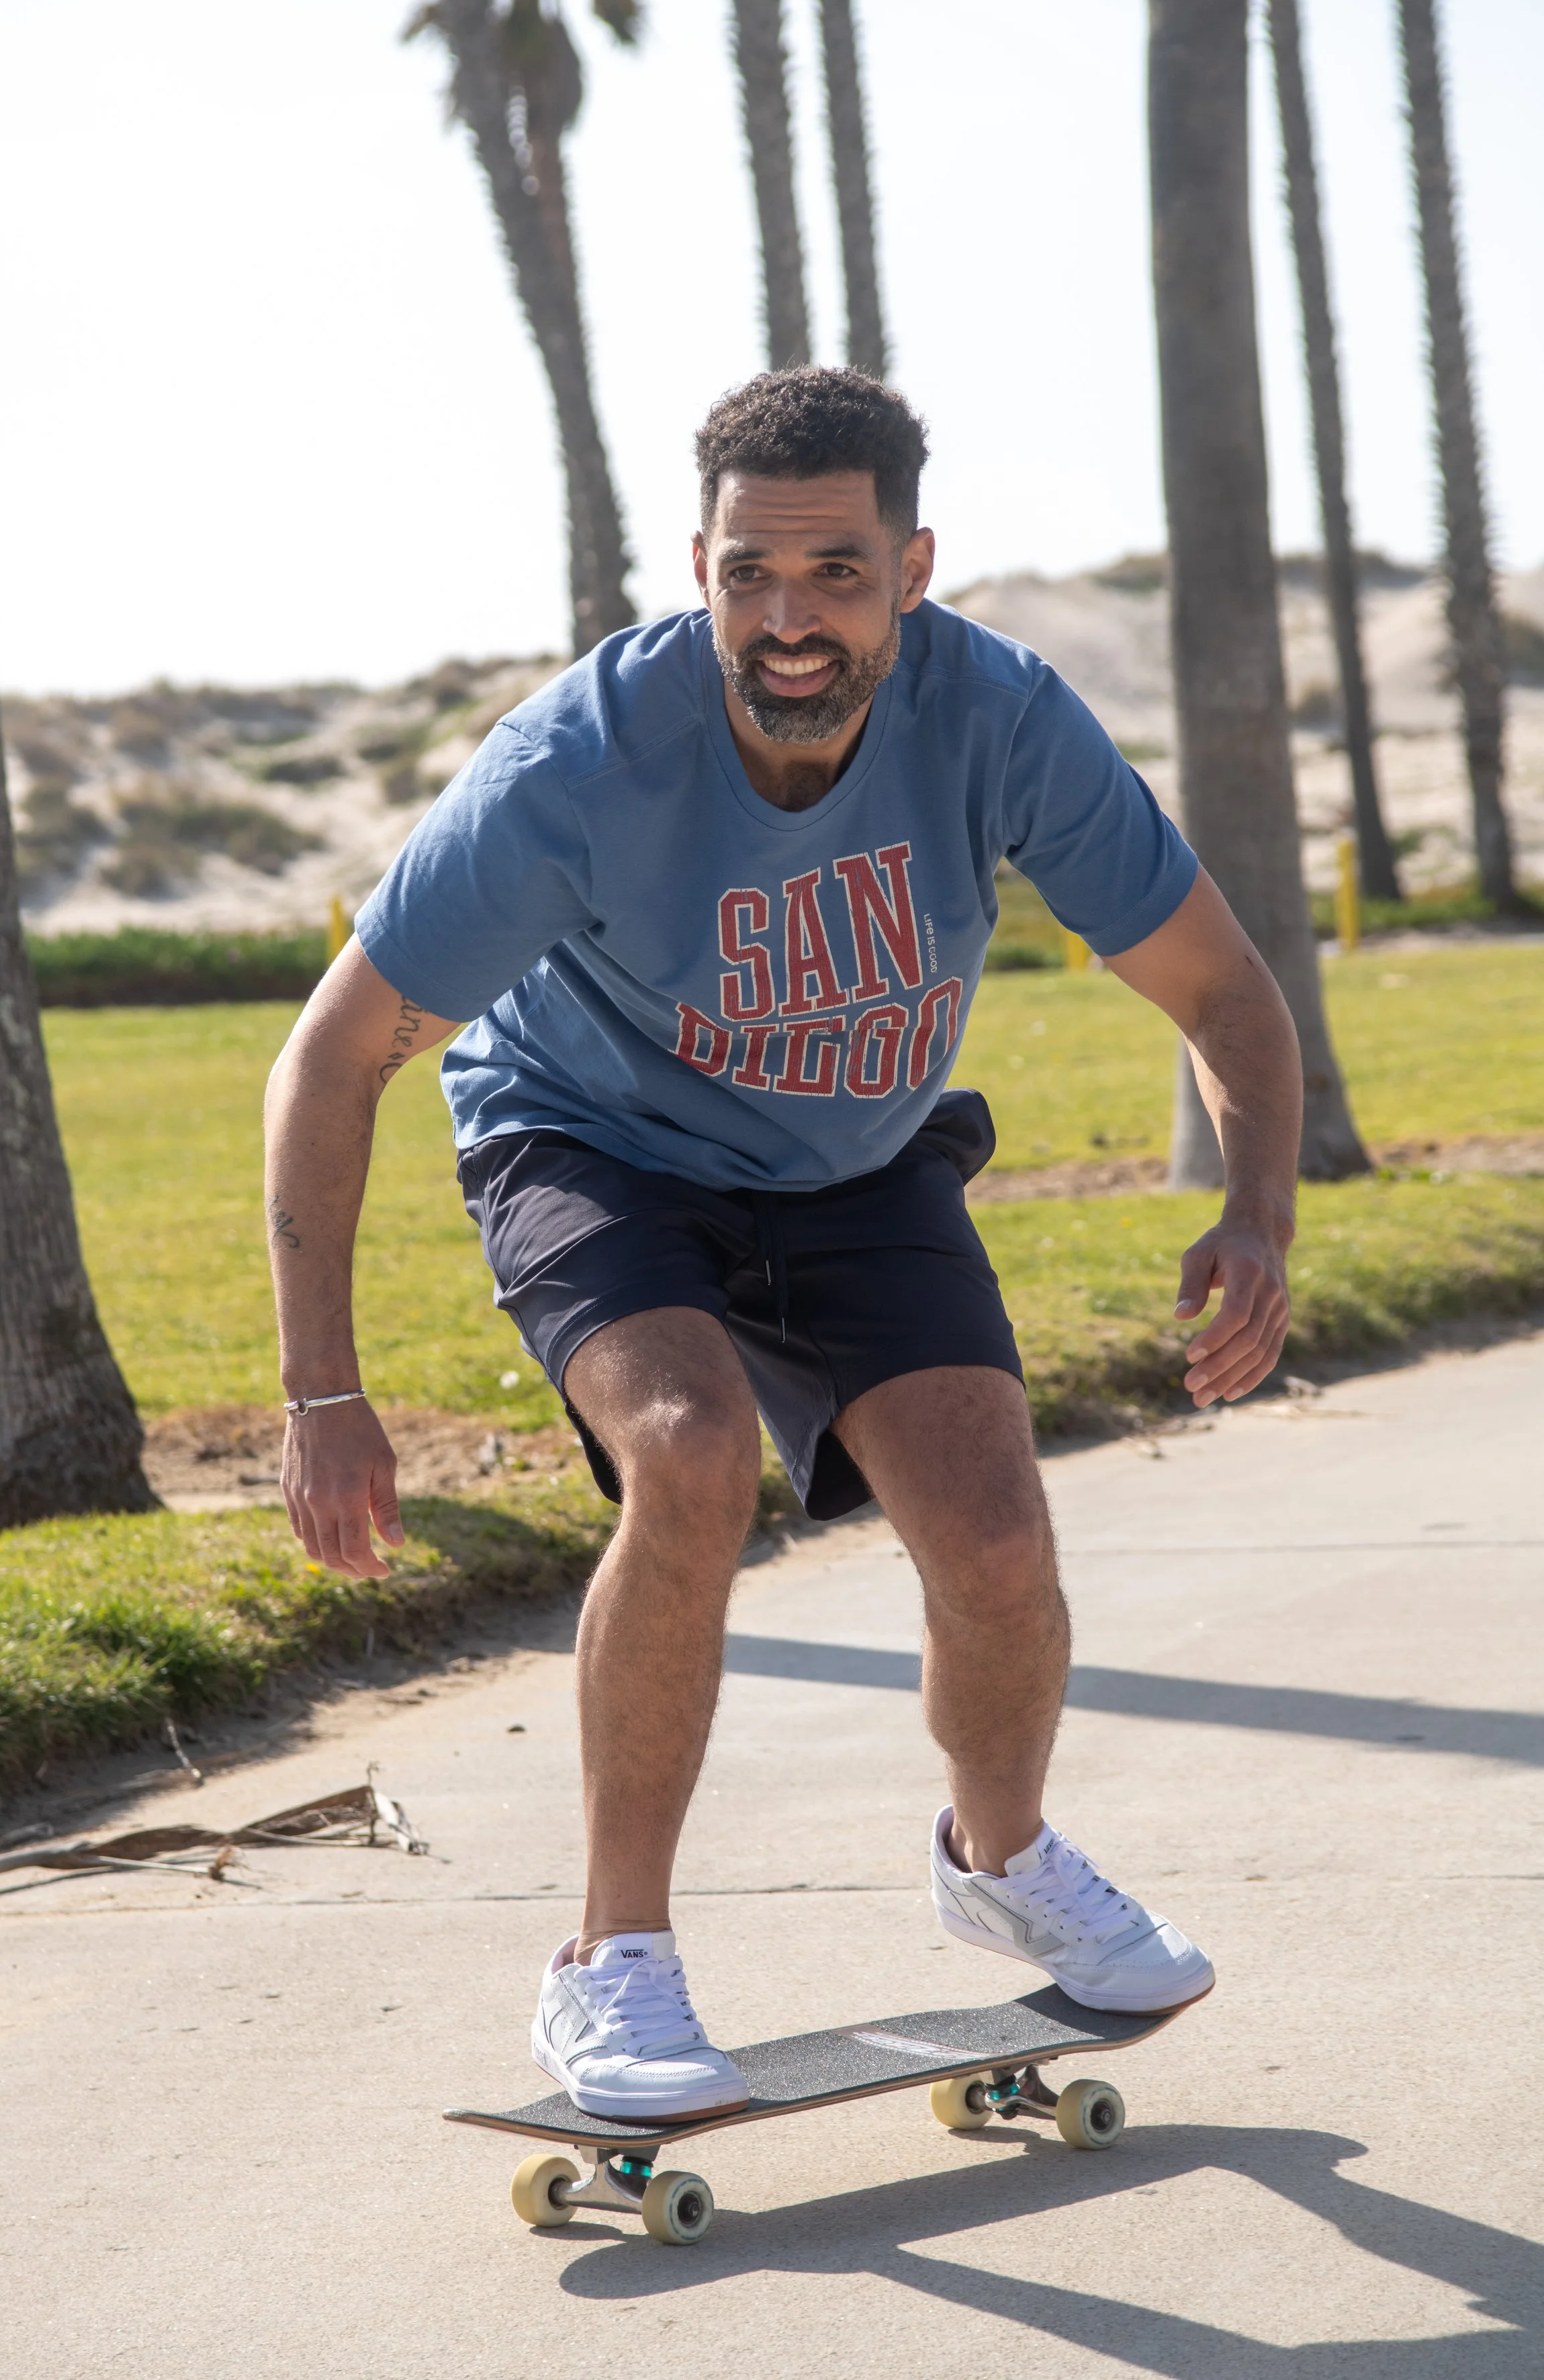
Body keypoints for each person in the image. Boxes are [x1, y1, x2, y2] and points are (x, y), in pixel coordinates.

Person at [263, 368, 1298, 2123]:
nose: (787, 617)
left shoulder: (998, 719)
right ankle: (612, 1963)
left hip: (858, 1151)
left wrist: (1256, 1214)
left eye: (833, 571)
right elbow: (337, 1049)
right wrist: (323, 1390)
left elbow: (1218, 985)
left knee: (988, 1530)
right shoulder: (580, 762)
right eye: (749, 573)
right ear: (699, 564)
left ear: (910, 564)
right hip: (592, 1135)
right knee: (686, 1456)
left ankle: (998, 1853)